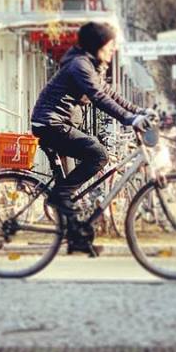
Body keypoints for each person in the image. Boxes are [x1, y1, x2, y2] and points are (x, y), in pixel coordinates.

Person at [30, 21, 150, 257]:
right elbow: (98, 97)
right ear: (97, 45)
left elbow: (108, 92)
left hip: (56, 123)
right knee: (98, 154)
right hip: (51, 123)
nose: (112, 49)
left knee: (80, 176)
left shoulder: (88, 65)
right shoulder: (79, 65)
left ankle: (77, 240)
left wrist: (138, 112)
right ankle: (60, 194)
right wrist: (129, 120)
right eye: (109, 44)